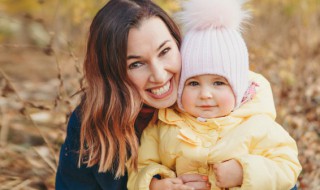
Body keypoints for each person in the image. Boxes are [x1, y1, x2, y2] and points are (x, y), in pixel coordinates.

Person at [128, 0, 302, 189]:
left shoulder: (256, 124)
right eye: (193, 83)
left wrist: (243, 172)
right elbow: (140, 167)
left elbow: (287, 166)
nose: (205, 94)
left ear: (237, 88)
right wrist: (155, 184)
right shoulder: (164, 125)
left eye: (218, 83)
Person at [55, 0, 212, 189]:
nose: (159, 75)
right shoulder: (91, 127)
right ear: (113, 74)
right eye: (136, 64)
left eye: (165, 51)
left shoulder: (217, 95)